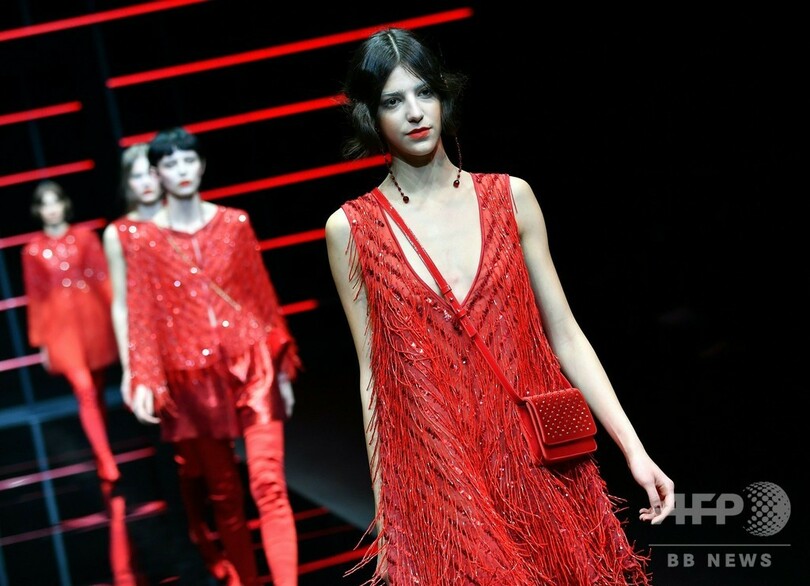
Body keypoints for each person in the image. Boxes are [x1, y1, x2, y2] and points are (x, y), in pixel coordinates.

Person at [325, 27, 675, 585]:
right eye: (393, 101)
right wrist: (388, 514)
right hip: (443, 473)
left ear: (444, 96)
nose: (414, 113)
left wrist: (634, 449)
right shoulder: (351, 229)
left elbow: (565, 332)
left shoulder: (511, 198)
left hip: (539, 462)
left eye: (424, 92)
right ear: (371, 115)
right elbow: (375, 376)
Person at [112, 127, 301, 586]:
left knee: (270, 485)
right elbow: (142, 311)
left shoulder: (235, 223)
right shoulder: (144, 241)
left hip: (252, 363)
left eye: (188, 160)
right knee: (225, 497)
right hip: (191, 375)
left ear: (201, 165)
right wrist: (144, 377)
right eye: (169, 164)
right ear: (157, 173)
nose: (181, 170)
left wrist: (281, 371)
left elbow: (261, 297)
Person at [103, 143, 233, 583]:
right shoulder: (119, 233)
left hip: (195, 350)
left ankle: (221, 540)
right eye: (135, 175)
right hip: (153, 356)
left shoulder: (177, 219)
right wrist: (131, 368)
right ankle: (200, 543)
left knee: (210, 452)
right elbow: (122, 303)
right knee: (180, 459)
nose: (145, 182)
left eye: (150, 173)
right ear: (127, 182)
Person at [22, 180, 120, 484]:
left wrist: (119, 317)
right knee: (84, 389)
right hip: (60, 328)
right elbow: (36, 297)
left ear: (65, 204)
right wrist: (40, 341)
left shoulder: (85, 238)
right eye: (45, 204)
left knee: (97, 389)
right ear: (38, 211)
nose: (51, 209)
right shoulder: (32, 250)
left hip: (92, 320)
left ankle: (100, 450)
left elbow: (102, 278)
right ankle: (106, 458)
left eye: (55, 202)